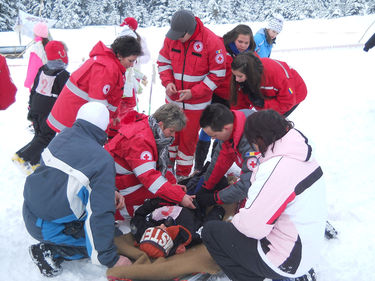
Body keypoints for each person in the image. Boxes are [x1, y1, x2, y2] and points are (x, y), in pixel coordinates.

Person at [202, 109, 326, 281]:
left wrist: (236, 218)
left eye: (253, 142)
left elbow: (252, 228)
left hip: (287, 260)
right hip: (307, 248)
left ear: (260, 138)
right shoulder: (299, 152)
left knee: (211, 232)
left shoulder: (278, 168)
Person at [23, 102, 132, 277]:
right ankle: (52, 251)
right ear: (104, 127)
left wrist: (108, 191)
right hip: (47, 226)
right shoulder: (101, 159)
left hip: (31, 210)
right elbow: (100, 214)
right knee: (111, 238)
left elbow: (61, 178)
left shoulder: (62, 136)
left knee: (103, 233)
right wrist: (111, 258)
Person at [157, 9, 227, 179]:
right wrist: (168, 83)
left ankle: (182, 177)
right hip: (172, 102)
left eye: (180, 36)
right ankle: (166, 172)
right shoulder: (172, 38)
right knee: (169, 137)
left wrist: (193, 93)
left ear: (189, 31)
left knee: (187, 144)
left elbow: (217, 75)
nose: (176, 39)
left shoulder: (211, 41)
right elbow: (163, 62)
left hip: (196, 105)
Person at [105, 103, 196, 232]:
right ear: (161, 124)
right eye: (171, 131)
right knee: (154, 203)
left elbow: (158, 165)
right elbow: (151, 179)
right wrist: (179, 197)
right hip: (118, 186)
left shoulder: (151, 129)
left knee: (165, 195)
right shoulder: (140, 140)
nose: (173, 136)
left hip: (128, 178)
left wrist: (172, 185)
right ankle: (124, 225)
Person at [194, 24, 257, 173]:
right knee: (207, 130)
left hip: (235, 100)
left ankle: (212, 167)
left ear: (250, 43)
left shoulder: (252, 56)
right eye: (240, 41)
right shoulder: (221, 48)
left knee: (223, 134)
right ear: (233, 38)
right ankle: (198, 167)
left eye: (246, 42)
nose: (242, 45)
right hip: (217, 96)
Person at [47, 36, 142, 132]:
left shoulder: (111, 64)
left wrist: (114, 116)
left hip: (75, 117)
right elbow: (97, 103)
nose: (132, 65)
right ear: (120, 55)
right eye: (130, 61)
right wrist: (103, 127)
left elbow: (109, 96)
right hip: (71, 118)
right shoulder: (106, 68)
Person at [13, 41, 70, 175]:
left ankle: (33, 162)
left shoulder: (43, 69)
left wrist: (30, 105)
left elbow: (34, 88)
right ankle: (23, 157)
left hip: (36, 106)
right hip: (47, 111)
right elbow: (66, 96)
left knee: (40, 136)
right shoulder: (63, 75)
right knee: (46, 137)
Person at [194, 103, 257, 208]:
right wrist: (206, 186)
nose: (213, 139)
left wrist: (214, 198)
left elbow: (250, 182)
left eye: (214, 135)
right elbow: (220, 160)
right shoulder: (233, 124)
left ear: (226, 128)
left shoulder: (252, 140)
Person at [230, 52, 307, 117]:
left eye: (239, 76)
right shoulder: (241, 75)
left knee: (271, 122)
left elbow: (286, 103)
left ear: (250, 73)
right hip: (267, 93)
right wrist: (234, 118)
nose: (236, 79)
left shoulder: (276, 76)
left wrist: (264, 104)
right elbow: (239, 103)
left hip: (294, 94)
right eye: (235, 75)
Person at [24, 22, 50, 90]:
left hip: (38, 84)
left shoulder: (36, 48)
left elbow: (33, 68)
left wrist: (29, 83)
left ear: (36, 33)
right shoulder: (50, 46)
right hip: (49, 82)